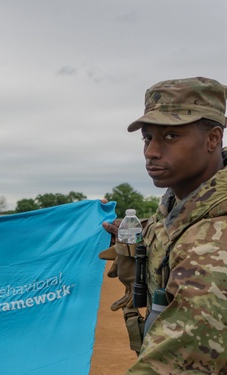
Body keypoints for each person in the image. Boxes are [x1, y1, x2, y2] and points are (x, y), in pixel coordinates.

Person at [101, 77, 227, 373]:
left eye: (170, 136)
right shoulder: (178, 207)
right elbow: (169, 231)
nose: (151, 152)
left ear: (212, 139)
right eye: (148, 138)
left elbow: (173, 366)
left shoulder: (213, 249)